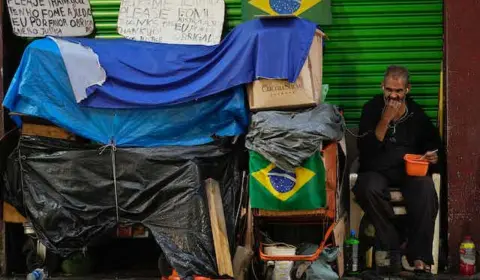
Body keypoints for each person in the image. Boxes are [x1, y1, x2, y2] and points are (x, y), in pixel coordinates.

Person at [353, 65, 441, 276]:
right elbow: (365, 149)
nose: (393, 95)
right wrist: (384, 119)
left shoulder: (416, 114)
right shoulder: (372, 109)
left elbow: (434, 145)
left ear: (407, 90)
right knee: (366, 188)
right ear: (382, 87)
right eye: (389, 90)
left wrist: (433, 156)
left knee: (426, 189)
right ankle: (395, 241)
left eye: (399, 91)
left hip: (408, 172)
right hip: (376, 170)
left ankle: (420, 261)